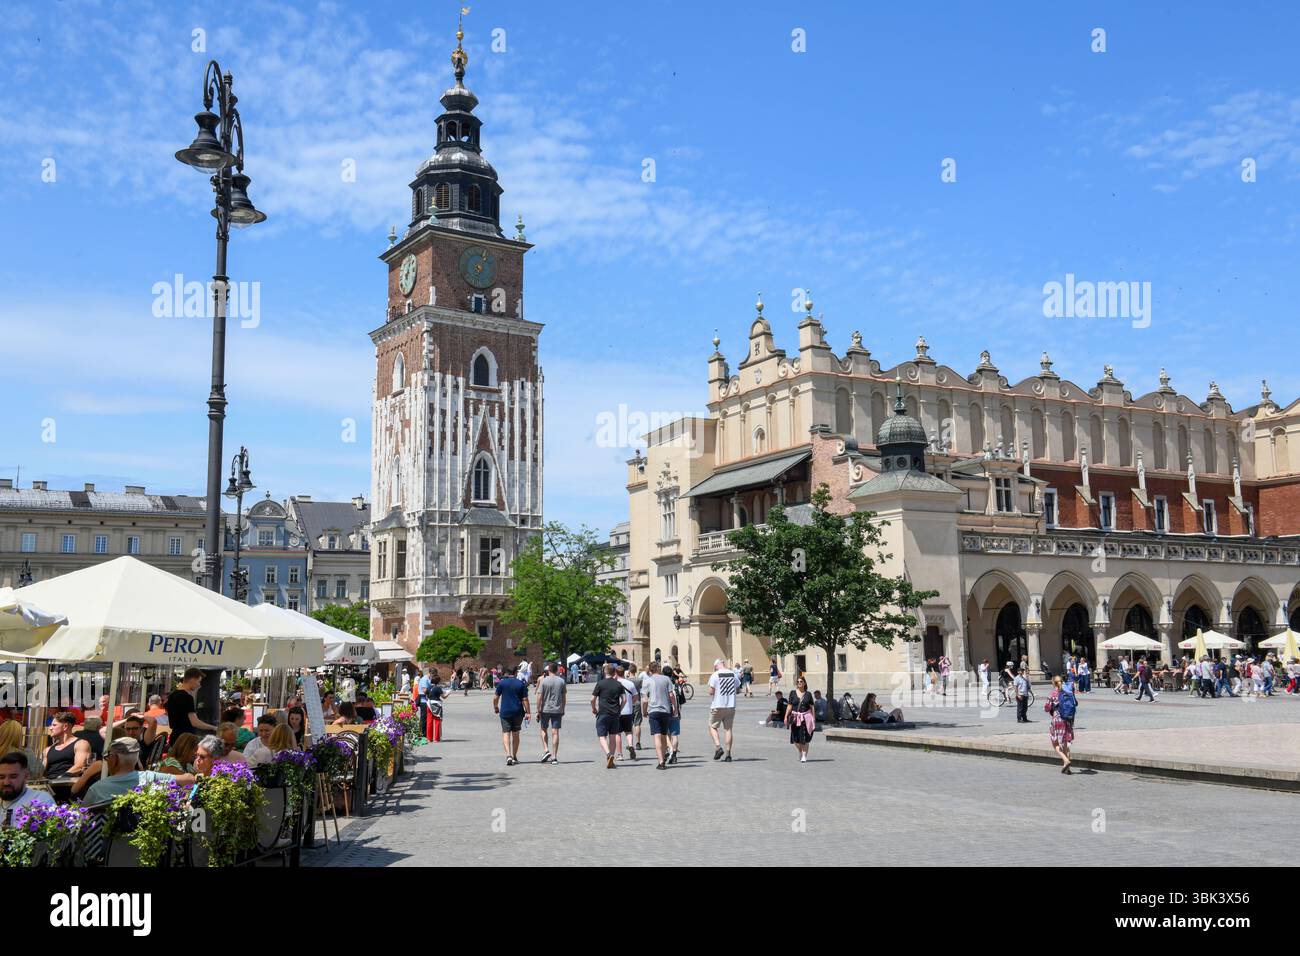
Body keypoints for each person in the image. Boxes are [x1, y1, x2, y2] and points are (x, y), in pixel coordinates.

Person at [82, 737, 193, 804]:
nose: (106, 760)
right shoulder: (150, 778)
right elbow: (190, 779)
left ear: (114, 759)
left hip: (106, 841)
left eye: (108, 756)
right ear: (136, 759)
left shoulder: (96, 789)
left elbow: (83, 818)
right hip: (145, 839)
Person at [641, 661, 679, 770]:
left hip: (653, 711)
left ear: (650, 670)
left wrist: (644, 711)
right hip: (665, 711)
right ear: (657, 668)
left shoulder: (647, 681)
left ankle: (661, 761)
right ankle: (663, 759)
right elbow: (671, 695)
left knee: (656, 736)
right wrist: (675, 708)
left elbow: (644, 700)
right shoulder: (666, 679)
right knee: (663, 736)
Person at [1, 750, 54, 823]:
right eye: (1, 777)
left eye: (13, 777)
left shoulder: (40, 799)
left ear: (26, 776)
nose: (6, 782)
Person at [166, 669, 216, 745]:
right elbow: (195, 722)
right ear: (192, 680)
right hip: (185, 739)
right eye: (199, 681)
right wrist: (213, 727)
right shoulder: (187, 697)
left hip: (175, 737)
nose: (199, 685)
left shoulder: (172, 695)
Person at [493, 664, 530, 766]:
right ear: (516, 673)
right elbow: (525, 699)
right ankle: (514, 756)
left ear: (507, 673)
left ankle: (508, 755)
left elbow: (495, 697)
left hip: (505, 711)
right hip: (518, 712)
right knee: (516, 734)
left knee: (506, 733)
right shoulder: (521, 684)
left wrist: (496, 707)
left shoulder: (502, 683)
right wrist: (528, 712)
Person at [590, 664, 626, 769]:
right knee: (613, 736)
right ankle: (612, 758)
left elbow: (592, 699)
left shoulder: (600, 683)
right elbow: (624, 700)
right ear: (614, 672)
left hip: (603, 713)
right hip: (615, 714)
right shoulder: (619, 684)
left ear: (605, 672)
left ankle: (608, 754)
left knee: (602, 736)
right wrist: (620, 709)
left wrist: (593, 708)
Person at [707, 658, 739, 762]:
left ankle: (718, 747)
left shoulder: (715, 675)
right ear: (723, 664)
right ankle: (728, 754)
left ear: (716, 666)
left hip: (718, 705)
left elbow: (711, 692)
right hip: (731, 706)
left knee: (712, 726)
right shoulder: (733, 674)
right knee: (728, 729)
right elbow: (738, 688)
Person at [43, 712, 92, 779]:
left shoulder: (80, 744)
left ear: (65, 726)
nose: (50, 728)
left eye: (54, 725)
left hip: (68, 784)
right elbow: (41, 771)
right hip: (49, 784)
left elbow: (80, 766)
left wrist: (60, 778)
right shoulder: (47, 749)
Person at [535, 662, 566, 763]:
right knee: (555, 732)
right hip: (557, 709)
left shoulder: (544, 681)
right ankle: (554, 757)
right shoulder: (561, 681)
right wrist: (563, 708)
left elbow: (539, 696)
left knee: (543, 729)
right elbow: (564, 697)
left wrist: (538, 710)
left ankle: (546, 749)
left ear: (548, 670)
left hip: (545, 709)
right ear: (557, 670)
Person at [1045, 676, 1075, 774]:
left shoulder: (1053, 693)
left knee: (1055, 742)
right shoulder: (1068, 691)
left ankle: (1065, 760)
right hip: (1067, 719)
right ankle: (1068, 768)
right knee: (1066, 742)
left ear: (1053, 683)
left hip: (1057, 720)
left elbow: (1047, 707)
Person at [786, 677, 816, 763]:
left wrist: (813, 719)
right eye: (798, 681)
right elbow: (789, 706)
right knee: (795, 739)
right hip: (795, 718)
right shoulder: (792, 693)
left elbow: (812, 707)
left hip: (806, 718)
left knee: (805, 738)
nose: (799, 682)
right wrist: (785, 716)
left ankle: (804, 755)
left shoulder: (808, 694)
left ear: (804, 683)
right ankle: (800, 750)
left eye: (801, 681)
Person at [615, 665, 639, 760]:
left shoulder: (615, 683)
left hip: (617, 711)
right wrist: (630, 703)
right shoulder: (630, 683)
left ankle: (620, 754)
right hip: (628, 711)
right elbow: (636, 697)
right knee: (628, 731)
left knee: (617, 733)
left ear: (616, 673)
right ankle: (630, 745)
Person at [425, 673, 446, 742]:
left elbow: (425, 693)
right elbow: (444, 697)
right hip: (437, 705)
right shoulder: (438, 688)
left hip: (429, 704)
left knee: (429, 721)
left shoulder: (428, 687)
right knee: (437, 721)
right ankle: (436, 738)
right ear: (438, 681)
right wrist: (449, 693)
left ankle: (429, 738)